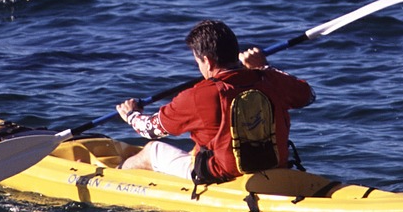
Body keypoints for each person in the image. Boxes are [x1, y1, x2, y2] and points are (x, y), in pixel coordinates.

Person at [116, 19, 315, 183]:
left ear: (208, 61)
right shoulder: (269, 79)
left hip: (222, 175)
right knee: (197, 147)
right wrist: (264, 67)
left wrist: (132, 115)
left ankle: (115, 177)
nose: (199, 68)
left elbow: (151, 130)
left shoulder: (198, 95)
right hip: (276, 167)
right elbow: (308, 96)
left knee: (152, 150)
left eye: (198, 62)